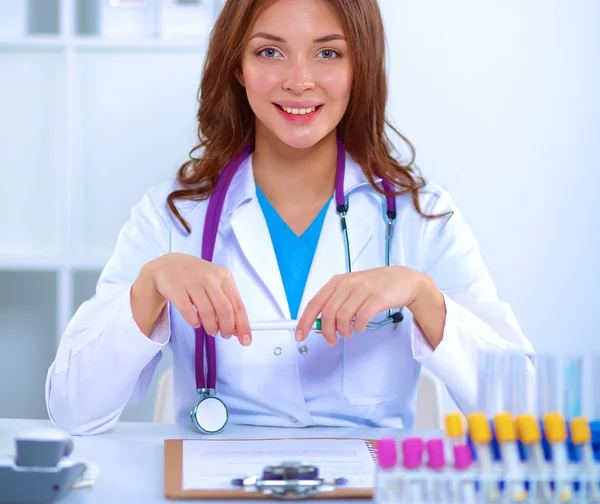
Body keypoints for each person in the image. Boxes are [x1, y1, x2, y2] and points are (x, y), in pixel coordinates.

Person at [45, 0, 535, 435]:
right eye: (269, 51)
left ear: (358, 67)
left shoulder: (420, 215)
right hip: (214, 490)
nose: (299, 80)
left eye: (327, 53)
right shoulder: (172, 215)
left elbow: (524, 415)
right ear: (237, 66)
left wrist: (424, 298)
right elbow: (73, 408)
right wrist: (149, 287)